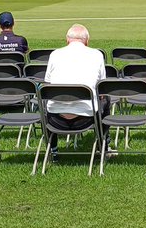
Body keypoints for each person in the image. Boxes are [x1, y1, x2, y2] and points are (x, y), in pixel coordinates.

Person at [44, 24, 108, 158]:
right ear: (87, 41)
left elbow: (47, 83)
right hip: (86, 119)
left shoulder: (55, 54)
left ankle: (53, 149)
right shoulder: (97, 55)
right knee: (106, 99)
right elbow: (101, 89)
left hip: (55, 119)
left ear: (67, 40)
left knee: (45, 101)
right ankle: (104, 147)